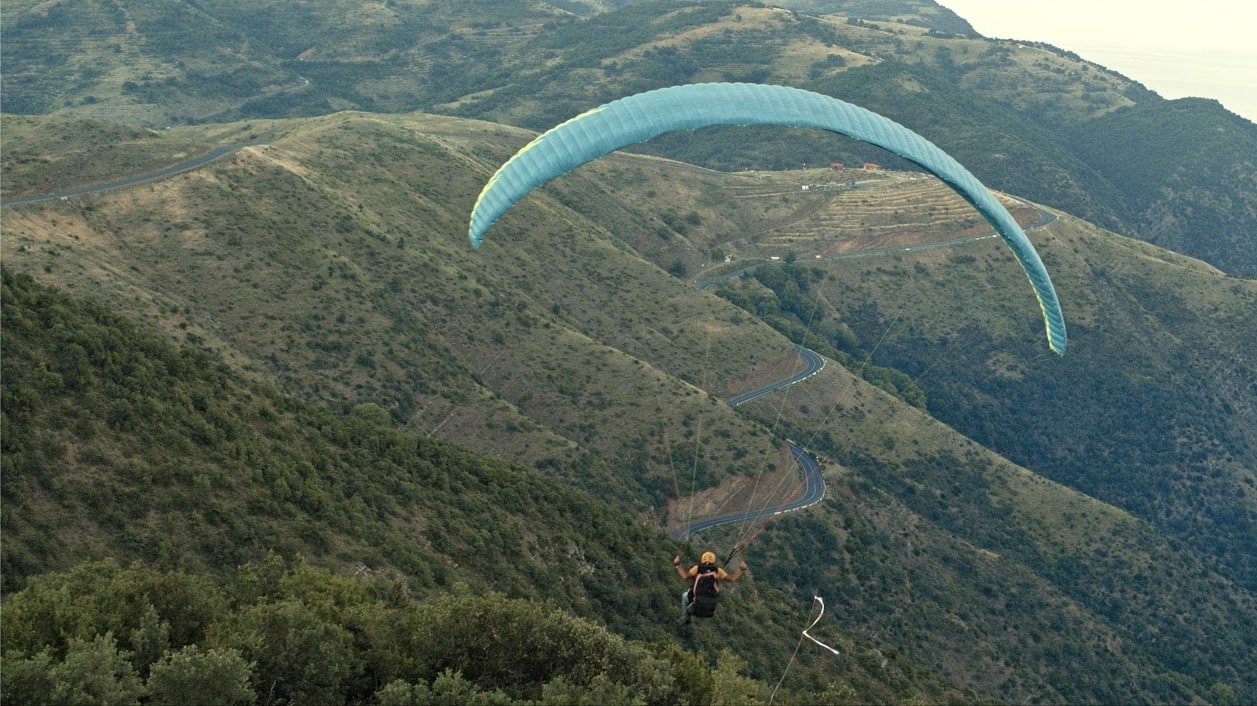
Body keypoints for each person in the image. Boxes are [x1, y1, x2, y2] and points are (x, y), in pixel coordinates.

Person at [674, 551, 747, 623]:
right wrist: (741, 569)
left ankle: (686, 616)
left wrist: (677, 565)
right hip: (710, 607)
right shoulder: (717, 570)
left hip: (696, 603)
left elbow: (685, 576)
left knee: (684, 596)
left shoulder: (697, 568)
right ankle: (689, 613)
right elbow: (732, 578)